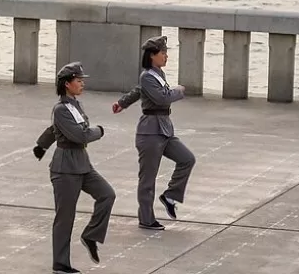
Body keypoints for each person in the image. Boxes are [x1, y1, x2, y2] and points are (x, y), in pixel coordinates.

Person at [112, 36, 195, 230]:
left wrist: (122, 103)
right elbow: (160, 98)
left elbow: (138, 91)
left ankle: (171, 196)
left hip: (164, 129)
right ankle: (146, 219)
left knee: (187, 159)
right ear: (152, 55)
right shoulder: (148, 76)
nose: (166, 56)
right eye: (163, 53)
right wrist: (179, 91)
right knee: (148, 179)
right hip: (150, 132)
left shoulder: (157, 75)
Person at [48, 62, 115, 274]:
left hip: (82, 164)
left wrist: (89, 131)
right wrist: (100, 131)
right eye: (78, 80)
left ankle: (91, 235)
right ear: (67, 84)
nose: (82, 83)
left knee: (107, 195)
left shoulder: (75, 105)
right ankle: (60, 263)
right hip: (65, 167)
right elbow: (81, 135)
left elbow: (83, 130)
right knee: (65, 217)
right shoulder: (60, 110)